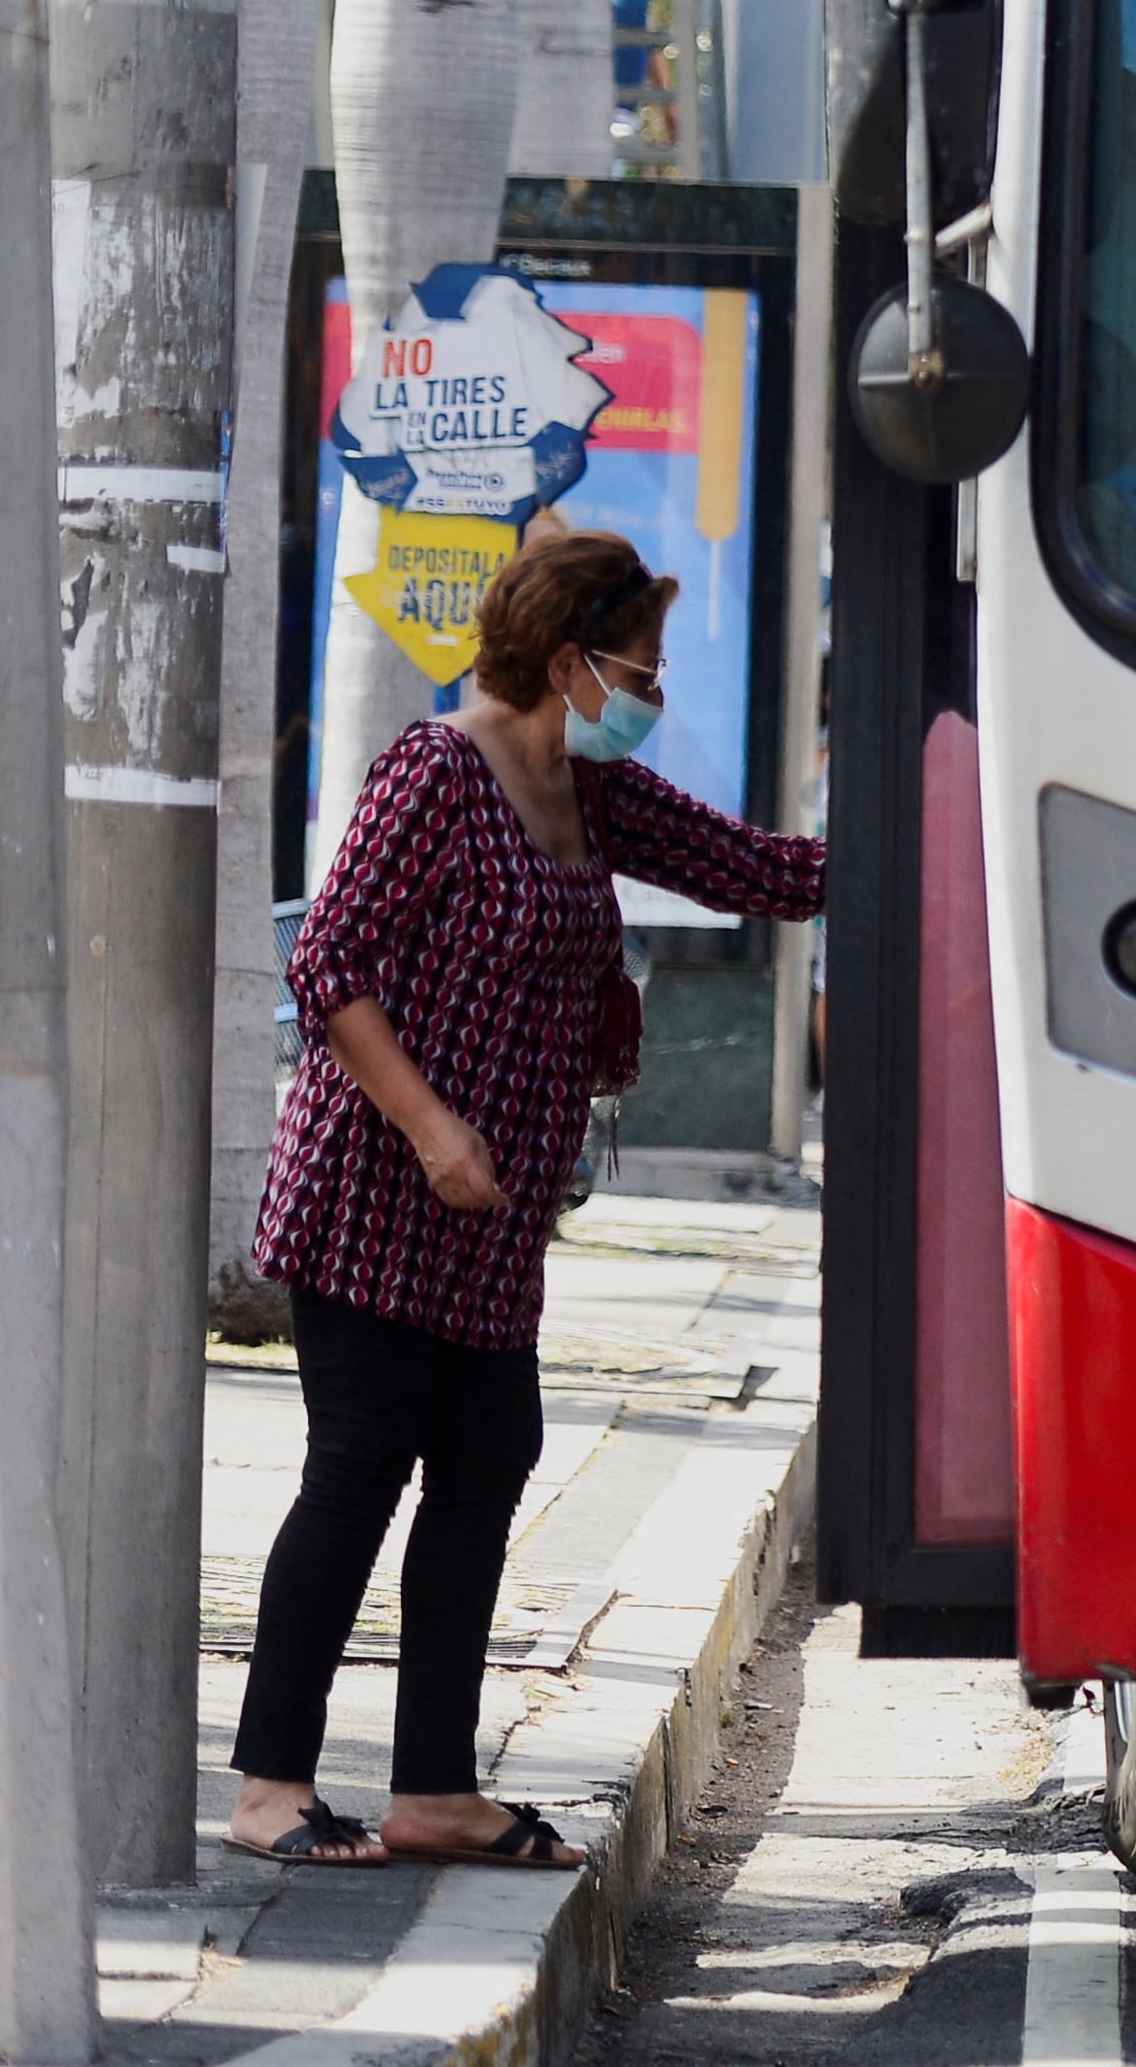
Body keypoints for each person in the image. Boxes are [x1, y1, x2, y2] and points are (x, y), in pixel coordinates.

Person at [227, 530, 826, 1870]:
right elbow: (329, 969)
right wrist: (435, 1127)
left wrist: (942, 827)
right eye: (640, 670)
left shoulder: (586, 790)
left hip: (491, 1224)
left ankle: (435, 1789)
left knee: (489, 1461)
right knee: (356, 1472)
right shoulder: (437, 771)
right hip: (382, 1196)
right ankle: (270, 1782)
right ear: (567, 662)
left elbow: (761, 871)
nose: (652, 696)